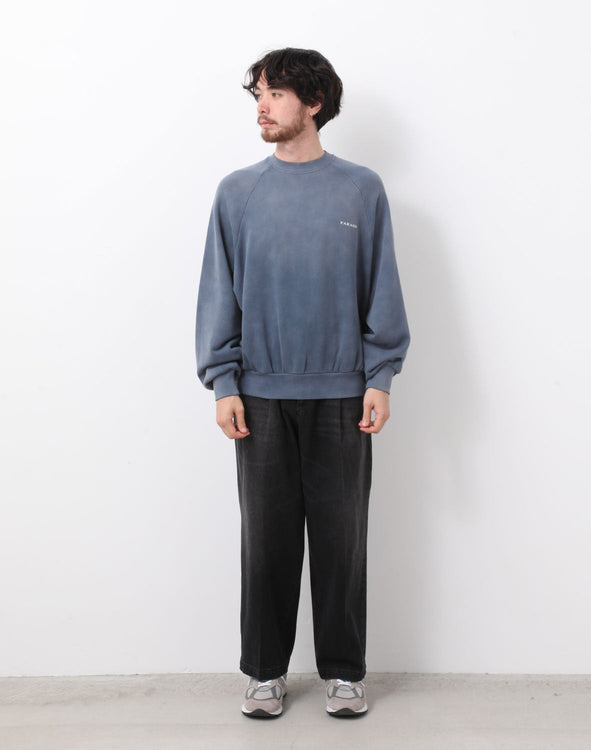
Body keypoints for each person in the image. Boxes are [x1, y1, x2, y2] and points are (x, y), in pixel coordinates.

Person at [195, 47, 410, 718]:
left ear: (313, 103)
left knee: (343, 540)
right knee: (267, 542)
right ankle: (265, 673)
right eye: (257, 93)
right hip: (259, 397)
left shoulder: (360, 189)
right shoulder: (237, 192)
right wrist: (223, 381)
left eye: (276, 94)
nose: (261, 106)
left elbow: (380, 286)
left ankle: (344, 672)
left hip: (343, 396)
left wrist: (380, 376)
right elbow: (219, 293)